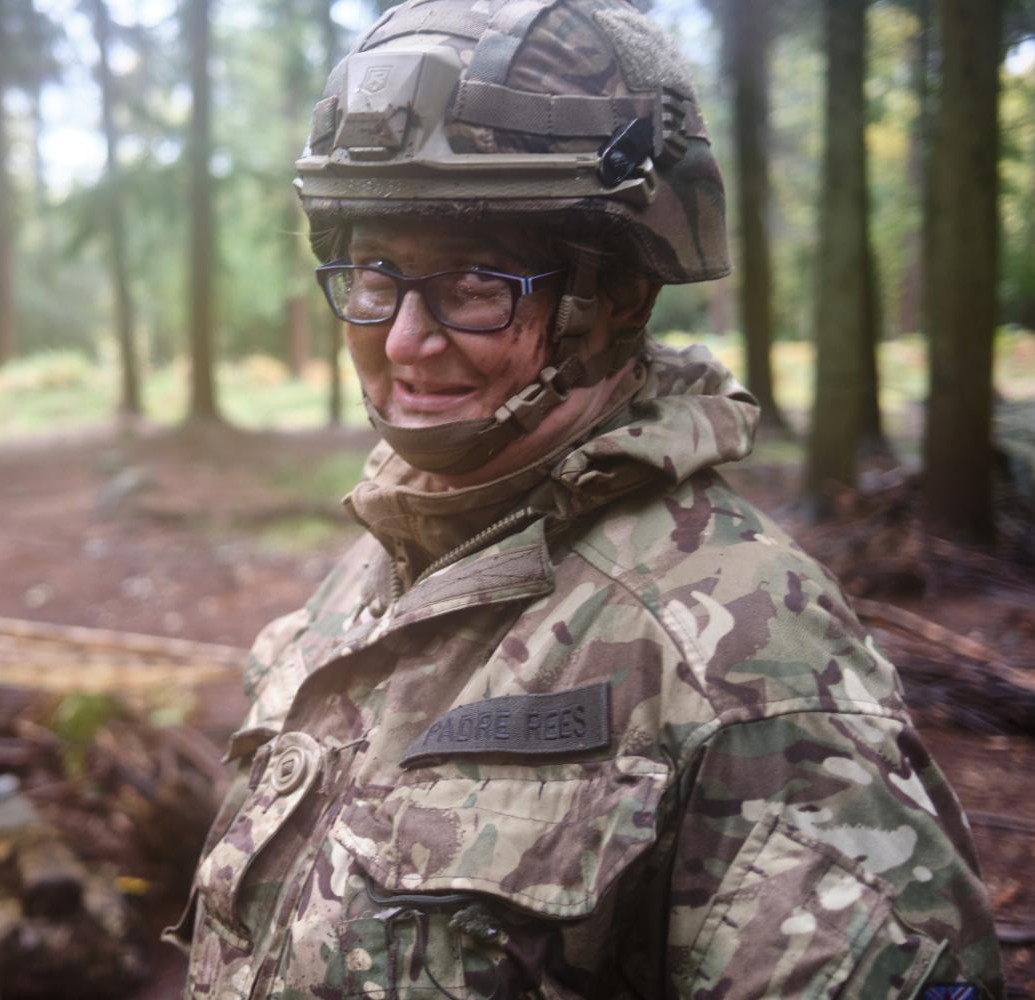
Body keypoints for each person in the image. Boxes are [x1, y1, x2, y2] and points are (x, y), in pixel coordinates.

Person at [169, 0, 1005, 996]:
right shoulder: (380, 572)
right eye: (371, 273)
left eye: (475, 284)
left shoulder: (741, 654)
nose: (402, 340)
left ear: (613, 297)